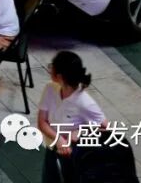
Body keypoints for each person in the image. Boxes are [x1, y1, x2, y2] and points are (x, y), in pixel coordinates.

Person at [38, 51, 107, 183]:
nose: (49, 69)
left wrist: (80, 132)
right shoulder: (50, 89)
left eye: (52, 66)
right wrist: (59, 139)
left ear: (59, 76)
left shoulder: (85, 102)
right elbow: (42, 122)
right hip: (52, 150)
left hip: (74, 157)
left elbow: (106, 129)